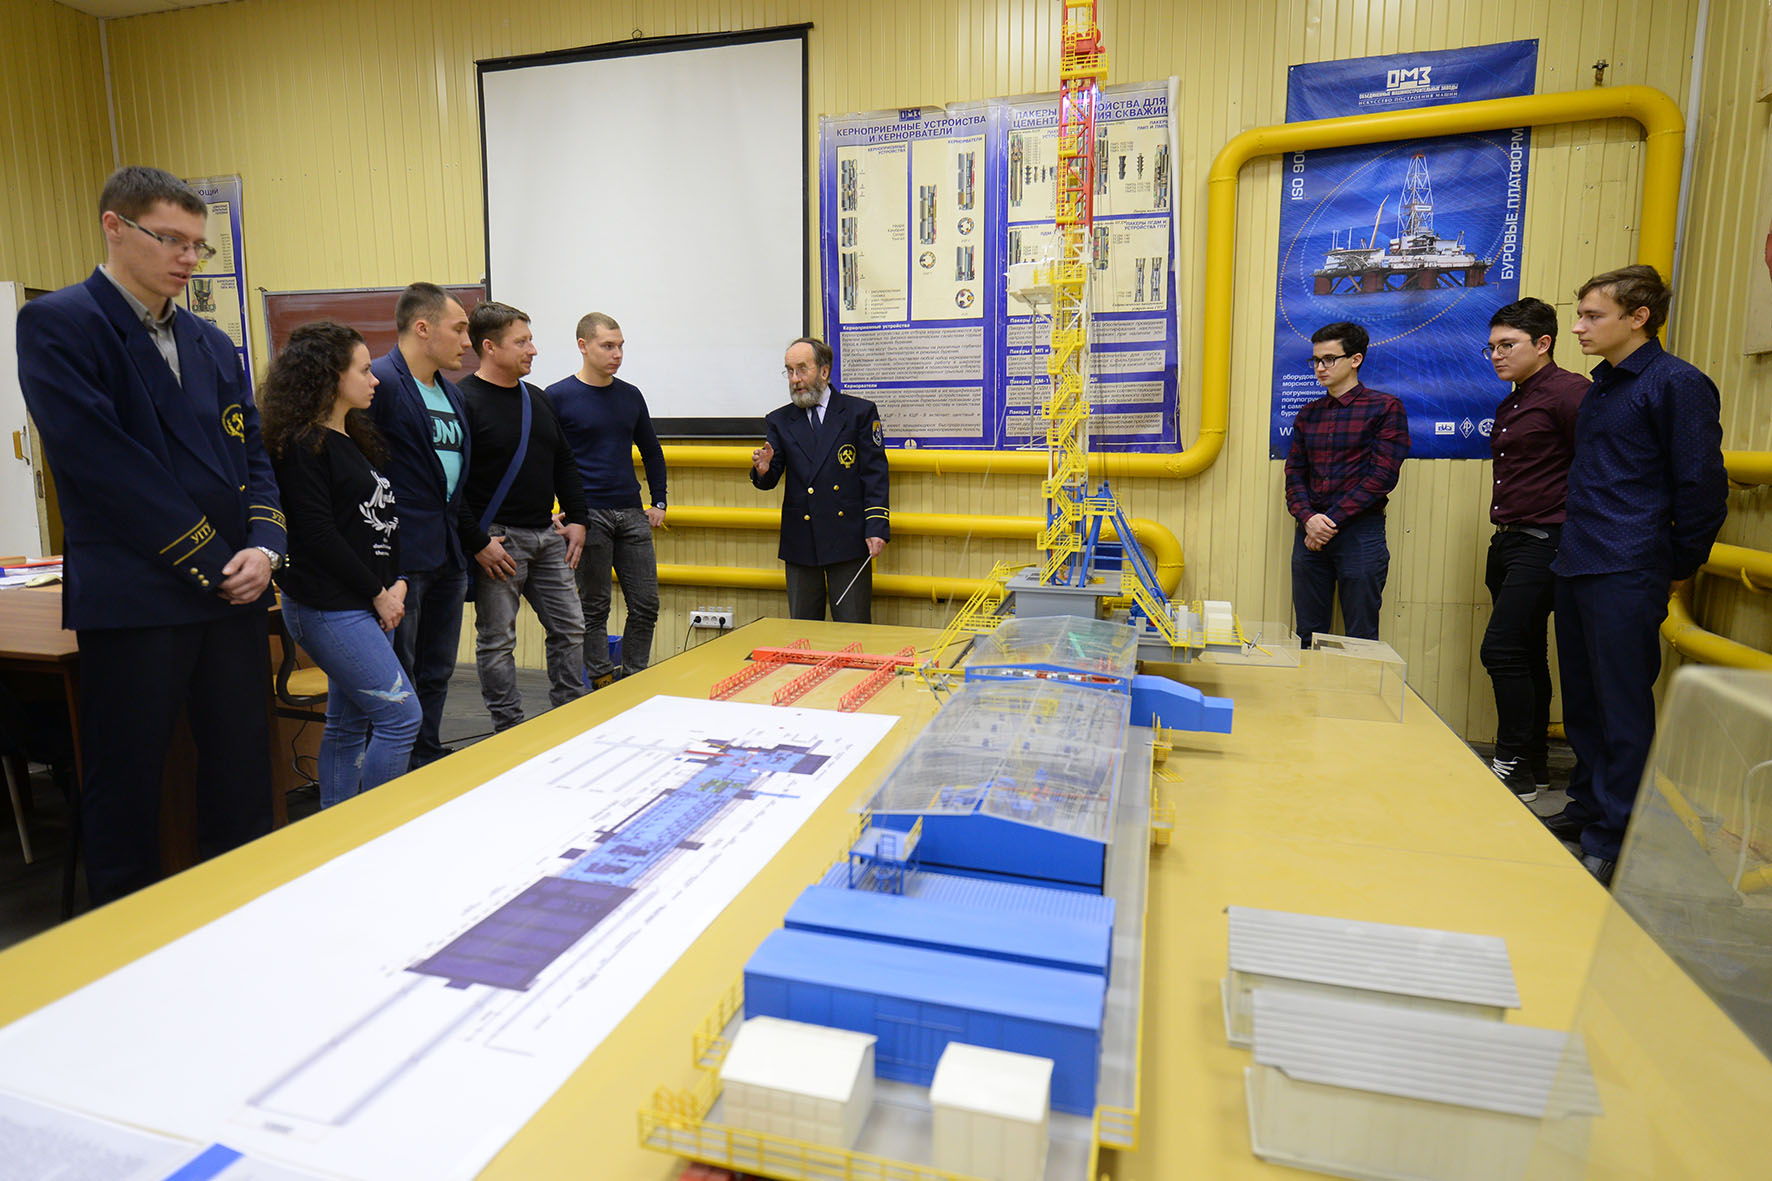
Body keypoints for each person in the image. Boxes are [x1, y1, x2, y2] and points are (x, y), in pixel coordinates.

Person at [16, 166, 284, 903]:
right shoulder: (62, 323)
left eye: (198, 245)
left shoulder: (209, 341)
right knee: (128, 778)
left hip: (234, 588)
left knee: (241, 769)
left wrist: (264, 548)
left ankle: (243, 907)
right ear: (114, 226)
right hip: (138, 593)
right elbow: (104, 464)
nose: (189, 259)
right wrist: (217, 560)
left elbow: (251, 456)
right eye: (171, 239)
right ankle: (122, 935)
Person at [1544, 265, 1728, 885]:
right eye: (1580, 315)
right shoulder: (1602, 387)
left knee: (1621, 707)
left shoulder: (1676, 383)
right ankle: (1587, 807)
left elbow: (1702, 485)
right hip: (1580, 558)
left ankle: (1618, 832)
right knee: (1584, 701)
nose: (1578, 327)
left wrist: (1677, 564)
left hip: (1627, 564)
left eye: (1592, 316)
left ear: (1638, 318)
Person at [262, 321, 420, 807]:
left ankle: (339, 828)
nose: (375, 379)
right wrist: (377, 592)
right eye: (364, 370)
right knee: (401, 718)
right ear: (332, 376)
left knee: (348, 725)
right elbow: (318, 535)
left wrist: (397, 581)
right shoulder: (302, 446)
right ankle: (375, 830)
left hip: (369, 602)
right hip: (332, 607)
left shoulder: (351, 438)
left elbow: (381, 524)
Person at [457, 301, 591, 730]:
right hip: (498, 541)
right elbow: (449, 483)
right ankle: (508, 728)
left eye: (530, 340)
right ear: (489, 347)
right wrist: (477, 542)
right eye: (522, 342)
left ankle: (572, 716)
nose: (533, 349)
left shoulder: (537, 398)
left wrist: (579, 518)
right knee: (498, 641)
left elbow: (563, 460)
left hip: (547, 534)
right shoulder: (462, 400)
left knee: (571, 628)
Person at [1479, 298, 1589, 803]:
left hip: (1547, 539)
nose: (1497, 355)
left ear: (1543, 344)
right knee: (1525, 651)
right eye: (1492, 347)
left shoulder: (1570, 394)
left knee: (1501, 649)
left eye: (1508, 345)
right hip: (1510, 538)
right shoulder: (1515, 400)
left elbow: (1598, 466)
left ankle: (1511, 765)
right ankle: (1535, 766)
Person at [369, 283, 473, 768]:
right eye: (459, 329)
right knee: (401, 669)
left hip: (447, 552)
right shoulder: (381, 383)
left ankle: (426, 753)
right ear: (423, 328)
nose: (467, 342)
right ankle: (397, 763)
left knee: (437, 669)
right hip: (403, 555)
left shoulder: (451, 393)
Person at [547, 313, 667, 687]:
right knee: (594, 607)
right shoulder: (557, 396)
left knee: (646, 604)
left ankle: (632, 678)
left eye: (620, 346)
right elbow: (545, 457)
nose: (617, 354)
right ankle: (601, 681)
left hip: (631, 511)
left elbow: (651, 450)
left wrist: (659, 501)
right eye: (608, 346)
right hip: (587, 514)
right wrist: (554, 510)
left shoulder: (630, 395)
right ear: (583, 346)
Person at [1283, 322, 1410, 646]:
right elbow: (1294, 473)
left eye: (1329, 359)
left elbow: (1382, 477)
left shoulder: (1385, 408)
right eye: (1315, 360)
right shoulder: (1308, 415)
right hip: (1310, 533)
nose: (1320, 368)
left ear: (1355, 359)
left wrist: (1328, 522)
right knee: (1308, 635)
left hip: (1359, 532)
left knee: (1361, 637)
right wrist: (1308, 519)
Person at [750, 337, 890, 623]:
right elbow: (771, 476)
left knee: (853, 628)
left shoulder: (859, 413)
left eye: (802, 369)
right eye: (789, 371)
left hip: (848, 538)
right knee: (804, 631)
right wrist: (763, 469)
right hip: (801, 541)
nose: (795, 379)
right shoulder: (779, 420)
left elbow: (875, 474)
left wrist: (877, 526)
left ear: (824, 371)